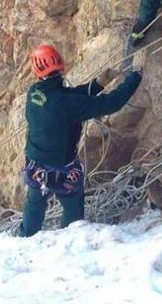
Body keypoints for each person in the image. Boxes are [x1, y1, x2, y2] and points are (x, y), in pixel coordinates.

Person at [19, 44, 143, 237]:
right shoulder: (66, 103)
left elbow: (67, 97)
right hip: (62, 169)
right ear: (60, 65)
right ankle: (70, 238)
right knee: (73, 210)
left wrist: (98, 84)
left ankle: (24, 240)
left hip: (36, 167)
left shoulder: (35, 93)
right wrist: (136, 77)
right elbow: (111, 103)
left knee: (33, 210)